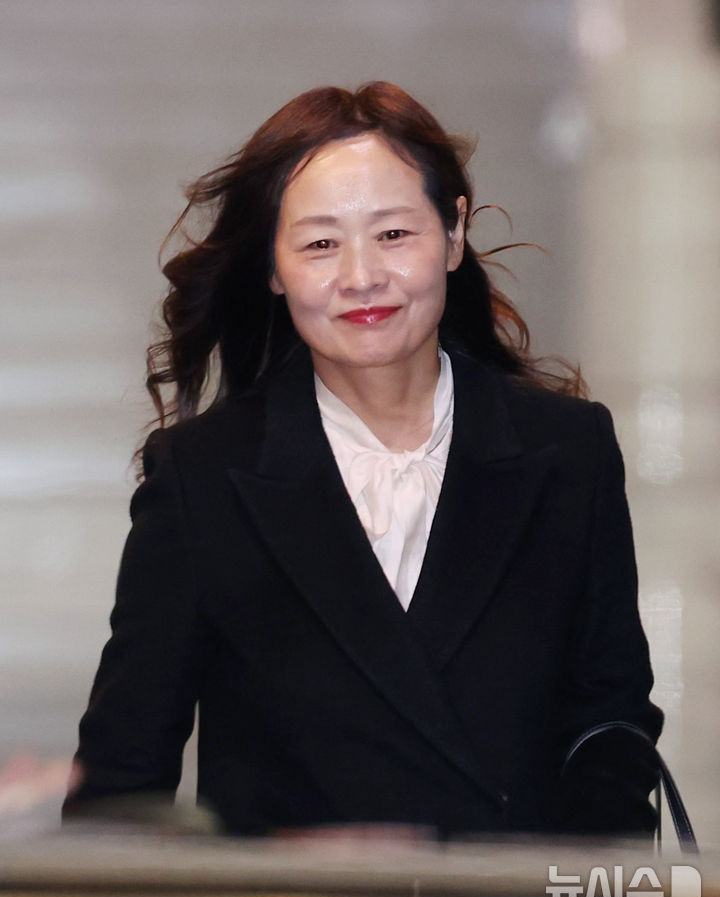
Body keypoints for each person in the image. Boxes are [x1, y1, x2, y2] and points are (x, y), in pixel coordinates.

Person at [64, 81, 662, 839]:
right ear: (273, 267)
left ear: (454, 234)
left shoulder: (568, 449)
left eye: (393, 234)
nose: (361, 276)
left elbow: (612, 730)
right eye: (320, 244)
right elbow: (121, 782)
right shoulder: (203, 476)